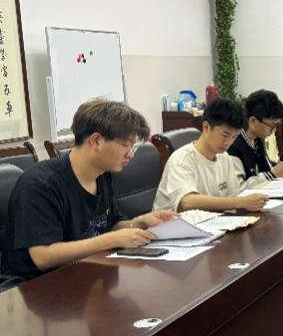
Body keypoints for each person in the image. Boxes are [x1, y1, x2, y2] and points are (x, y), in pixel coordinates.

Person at [2, 99, 177, 280]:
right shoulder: (41, 184)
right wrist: (111, 240)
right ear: (96, 141)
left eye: (133, 146)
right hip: (35, 286)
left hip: (85, 275)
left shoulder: (102, 175)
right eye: (126, 145)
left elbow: (112, 225)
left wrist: (142, 222)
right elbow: (43, 257)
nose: (131, 154)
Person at [154, 98, 268, 213]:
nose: (228, 142)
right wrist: (241, 202)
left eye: (234, 137)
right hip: (176, 223)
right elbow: (188, 202)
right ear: (206, 127)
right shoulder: (182, 159)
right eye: (225, 135)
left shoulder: (224, 158)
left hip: (213, 221)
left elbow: (233, 196)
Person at [228, 89, 283, 185]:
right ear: (253, 121)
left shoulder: (257, 139)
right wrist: (272, 174)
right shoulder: (233, 146)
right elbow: (239, 187)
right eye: (272, 125)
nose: (274, 130)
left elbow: (265, 168)